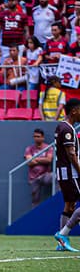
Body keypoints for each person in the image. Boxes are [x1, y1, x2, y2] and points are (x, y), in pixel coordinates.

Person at [53, 99, 80, 252]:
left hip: (64, 172)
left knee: (69, 205)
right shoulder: (68, 129)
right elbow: (71, 154)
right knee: (70, 205)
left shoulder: (62, 127)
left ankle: (61, 242)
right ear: (74, 111)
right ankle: (63, 234)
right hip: (71, 173)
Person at [25, 128, 53, 208]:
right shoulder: (29, 148)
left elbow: (49, 160)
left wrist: (36, 159)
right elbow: (30, 162)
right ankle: (35, 215)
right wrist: (42, 160)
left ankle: (56, 200)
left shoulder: (48, 147)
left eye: (38, 136)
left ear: (43, 137)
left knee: (55, 177)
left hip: (45, 175)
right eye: (35, 136)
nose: (36, 138)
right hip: (34, 177)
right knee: (35, 200)